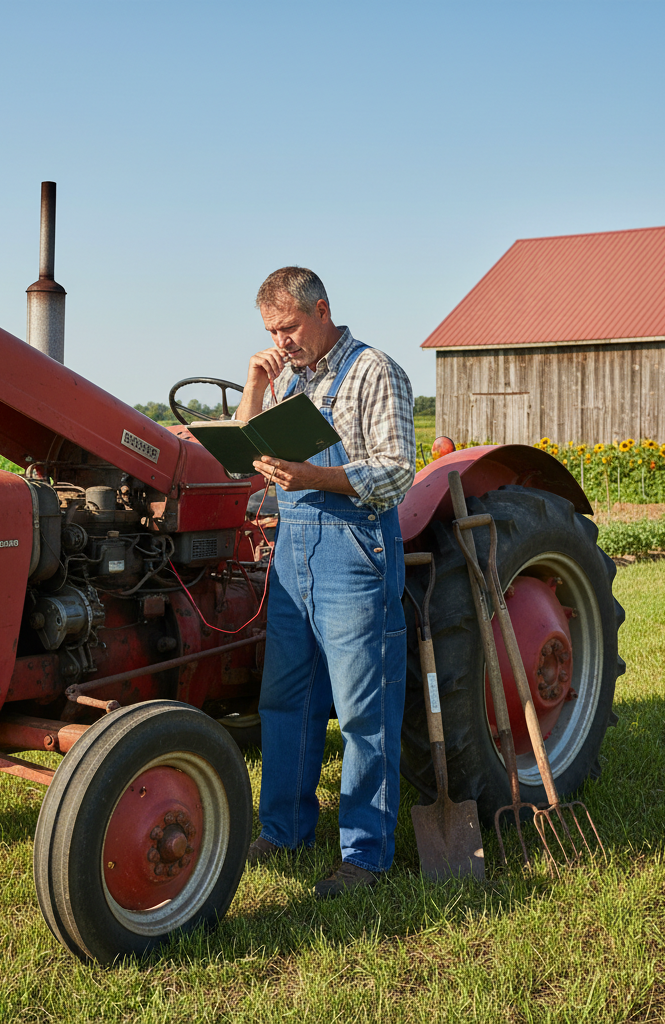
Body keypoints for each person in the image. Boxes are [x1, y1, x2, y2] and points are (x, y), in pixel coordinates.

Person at [238, 266, 416, 898]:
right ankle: (282, 830)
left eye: (288, 327)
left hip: (354, 552)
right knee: (285, 700)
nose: (282, 340)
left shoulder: (374, 371)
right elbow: (244, 461)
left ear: (321, 309)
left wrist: (311, 479)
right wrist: (256, 385)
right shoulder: (289, 378)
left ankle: (365, 856)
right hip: (294, 554)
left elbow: (396, 474)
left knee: (364, 712)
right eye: (271, 331)